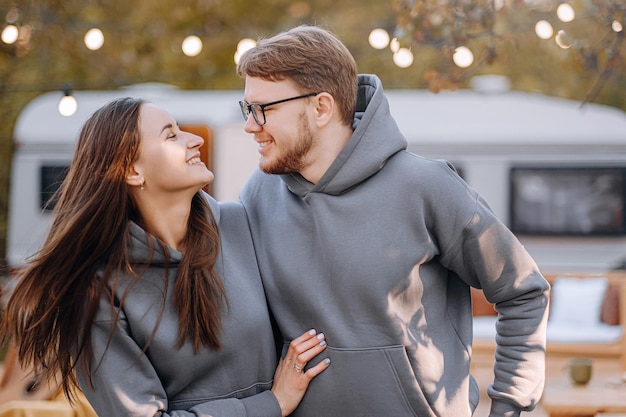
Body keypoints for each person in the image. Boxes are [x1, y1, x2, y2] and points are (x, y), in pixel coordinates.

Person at [235, 25, 550, 417]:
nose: (251, 125)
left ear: (320, 107)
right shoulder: (257, 195)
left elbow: (522, 291)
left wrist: (509, 405)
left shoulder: (426, 187)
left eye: (264, 109)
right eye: (247, 108)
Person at [0, 97, 330, 417]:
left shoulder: (241, 224)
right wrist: (271, 404)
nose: (195, 140)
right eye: (171, 135)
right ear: (131, 170)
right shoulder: (98, 290)